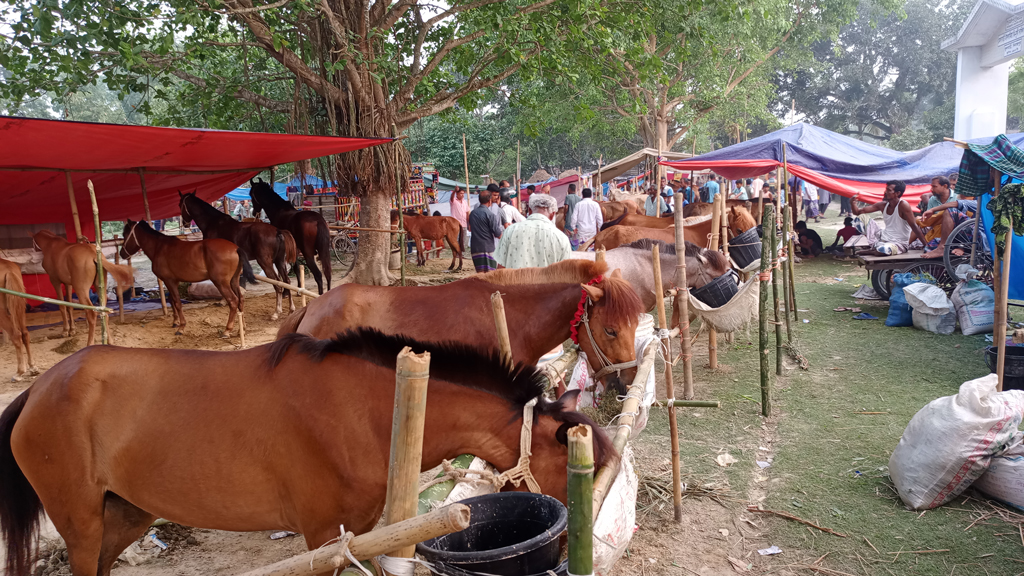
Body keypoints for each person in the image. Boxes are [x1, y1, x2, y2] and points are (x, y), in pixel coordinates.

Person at [494, 193, 572, 269]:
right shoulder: (561, 238)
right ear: (552, 215)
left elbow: (500, 269)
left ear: (529, 210)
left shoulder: (510, 231)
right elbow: (565, 272)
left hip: (514, 278)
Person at [851, 180, 927, 256]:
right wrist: (852, 203)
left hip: (899, 243)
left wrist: (926, 246)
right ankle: (875, 246)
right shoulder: (883, 205)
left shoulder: (903, 205)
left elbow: (914, 226)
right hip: (883, 238)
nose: (885, 192)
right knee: (861, 218)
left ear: (897, 193)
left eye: (889, 190)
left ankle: (872, 250)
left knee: (883, 249)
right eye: (886, 189)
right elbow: (857, 212)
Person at [920, 176, 973, 258]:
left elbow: (956, 204)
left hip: (971, 235)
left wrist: (933, 210)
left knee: (950, 211)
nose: (955, 188)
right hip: (950, 233)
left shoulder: (975, 200)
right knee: (931, 245)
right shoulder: (933, 199)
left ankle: (947, 247)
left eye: (956, 185)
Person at [468, 190, 504, 272]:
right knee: (490, 275)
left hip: (475, 249)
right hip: (487, 249)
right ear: (490, 200)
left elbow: (469, 229)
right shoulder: (490, 214)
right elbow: (498, 234)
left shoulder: (472, 214)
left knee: (480, 275)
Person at [449, 186, 470, 253]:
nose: (462, 195)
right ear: (457, 194)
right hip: (456, 224)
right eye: (461, 193)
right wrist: (454, 191)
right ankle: (457, 253)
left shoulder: (465, 202)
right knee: (456, 239)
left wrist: (469, 223)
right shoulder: (453, 201)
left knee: (463, 239)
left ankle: (462, 253)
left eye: (463, 193)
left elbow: (467, 213)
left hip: (464, 223)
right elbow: (451, 198)